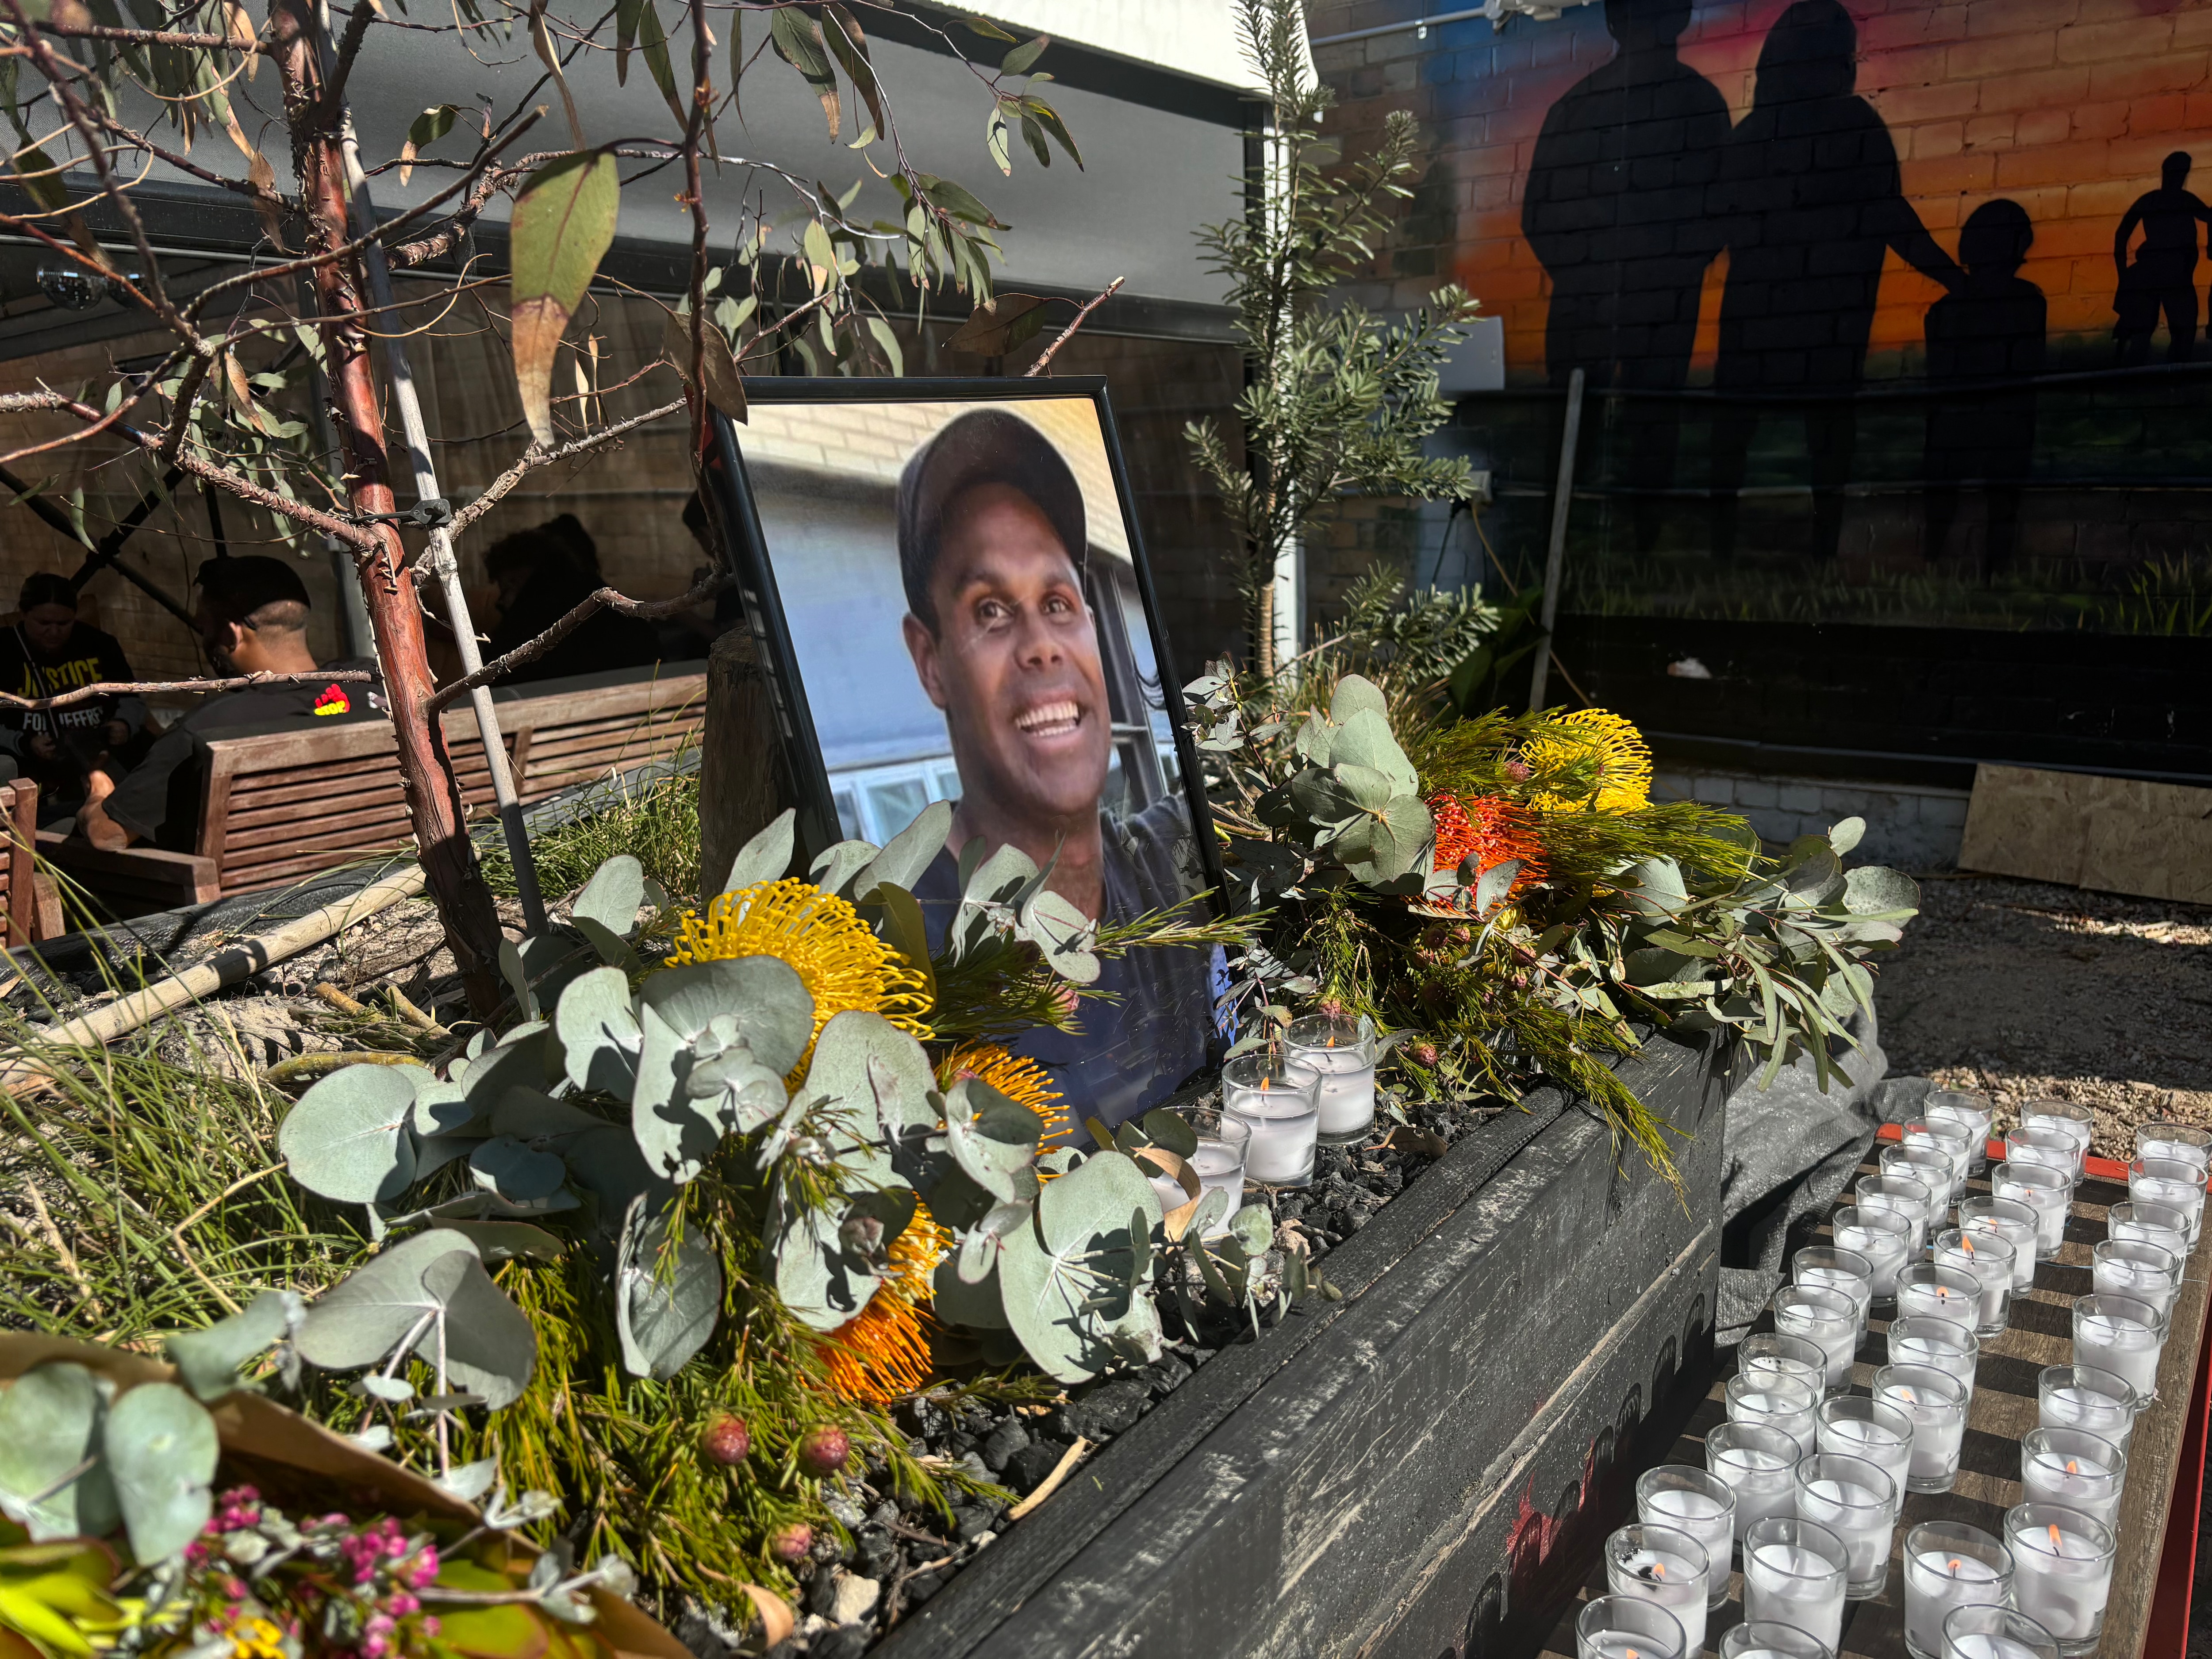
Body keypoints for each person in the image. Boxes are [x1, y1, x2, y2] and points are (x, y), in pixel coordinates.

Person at [896, 408, 1214, 1131]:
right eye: (992, 611)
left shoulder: (1172, 865)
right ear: (930, 661)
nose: (1042, 646)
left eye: (1059, 603)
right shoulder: (902, 961)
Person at [1707, 0, 1964, 563]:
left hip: (1756, 319)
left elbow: (1710, 230)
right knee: (1826, 435)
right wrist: (1956, 281)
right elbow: (1893, 218)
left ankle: (1721, 549)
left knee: (1734, 435)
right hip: (1831, 318)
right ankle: (1819, 550)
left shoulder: (1750, 137)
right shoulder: (1856, 126)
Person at [1522, 0, 1732, 553]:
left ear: (1612, 23)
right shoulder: (1698, 104)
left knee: (1576, 429)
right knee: (1645, 424)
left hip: (1591, 300)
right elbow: (1719, 208)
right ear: (1679, 19)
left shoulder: (1575, 107)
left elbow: (1538, 215)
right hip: (1651, 301)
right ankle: (1636, 547)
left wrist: (1582, 275)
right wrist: (1670, 271)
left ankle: (1561, 547)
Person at [77, 557, 387, 853]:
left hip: (255, 900)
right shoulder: (375, 682)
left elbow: (109, 837)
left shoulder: (206, 727)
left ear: (230, 633)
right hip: (379, 871)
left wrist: (99, 793)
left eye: (205, 627)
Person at [1923, 200, 2047, 573]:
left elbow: (1939, 377)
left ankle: (1935, 562)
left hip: (1960, 420)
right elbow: (2029, 367)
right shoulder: (2028, 302)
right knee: (2000, 502)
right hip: (2003, 418)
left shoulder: (1944, 311)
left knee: (1947, 500)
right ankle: (1990, 572)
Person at [0, 572, 146, 823]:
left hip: (97, 750)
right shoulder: (4, 648)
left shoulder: (100, 644)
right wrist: (23, 743)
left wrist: (124, 724)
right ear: (24, 614)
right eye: (44, 623)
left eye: (64, 623)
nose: (54, 632)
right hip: (28, 758)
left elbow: (132, 697)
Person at [482, 518, 661, 684]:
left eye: (507, 588)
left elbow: (496, 677)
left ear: (518, 578)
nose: (504, 601)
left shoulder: (536, 609)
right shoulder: (591, 593)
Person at [2112, 151, 2211, 366]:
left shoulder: (2180, 201)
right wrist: (2123, 276)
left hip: (2175, 275)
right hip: (2164, 275)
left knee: (2181, 333)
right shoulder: (2159, 201)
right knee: (2146, 333)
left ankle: (2171, 379)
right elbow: (2121, 235)